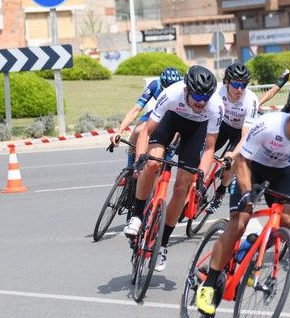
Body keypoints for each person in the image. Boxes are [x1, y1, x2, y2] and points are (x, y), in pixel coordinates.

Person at [195, 84, 290, 316]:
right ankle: (209, 284)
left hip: (281, 172)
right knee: (239, 221)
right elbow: (242, 162)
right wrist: (247, 194)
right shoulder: (268, 125)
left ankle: (250, 248)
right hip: (251, 167)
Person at [125, 65, 223, 272]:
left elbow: (210, 147)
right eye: (196, 95)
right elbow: (146, 131)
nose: (201, 101)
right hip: (170, 121)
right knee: (152, 163)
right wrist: (141, 157)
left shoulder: (215, 106)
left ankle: (163, 244)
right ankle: (137, 215)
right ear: (186, 89)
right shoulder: (172, 93)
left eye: (206, 96)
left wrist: (202, 178)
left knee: (182, 188)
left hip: (195, 131)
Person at [206, 63, 259, 214]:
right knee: (204, 152)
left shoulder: (251, 100)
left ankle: (220, 192)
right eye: (236, 84)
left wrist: (232, 155)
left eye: (244, 85)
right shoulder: (217, 91)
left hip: (240, 133)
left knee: (230, 163)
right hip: (222, 125)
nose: (239, 89)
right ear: (227, 82)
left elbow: (245, 136)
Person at [109, 67, 182, 167]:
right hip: (158, 111)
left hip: (176, 114)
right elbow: (136, 110)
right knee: (137, 131)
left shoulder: (183, 88)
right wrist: (119, 131)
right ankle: (129, 169)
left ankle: (165, 163)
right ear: (161, 84)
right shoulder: (155, 85)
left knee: (171, 140)